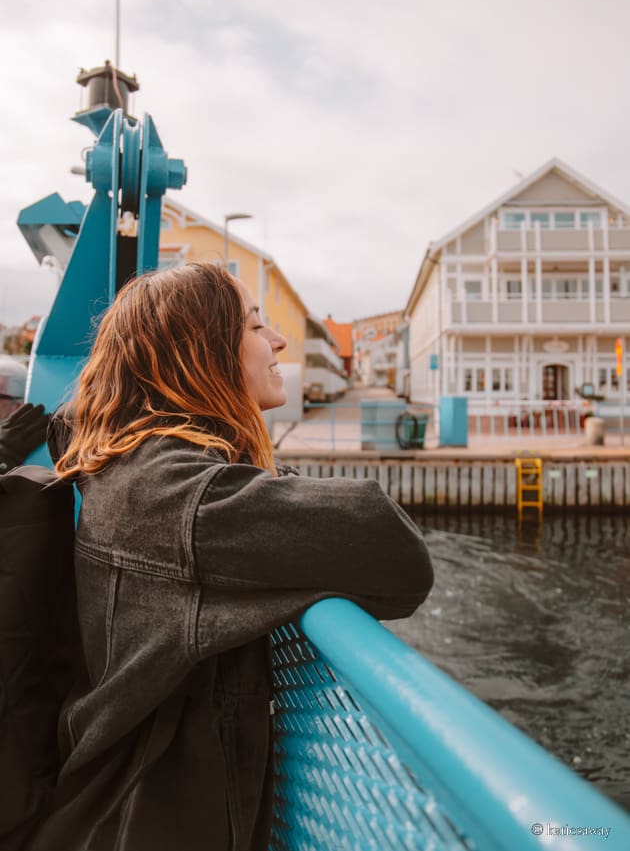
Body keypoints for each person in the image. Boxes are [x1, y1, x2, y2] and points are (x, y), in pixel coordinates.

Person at [30, 262, 433, 851]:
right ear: (199, 354)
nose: (278, 340)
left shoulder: (131, 470)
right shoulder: (176, 495)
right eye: (253, 326)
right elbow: (395, 553)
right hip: (141, 824)